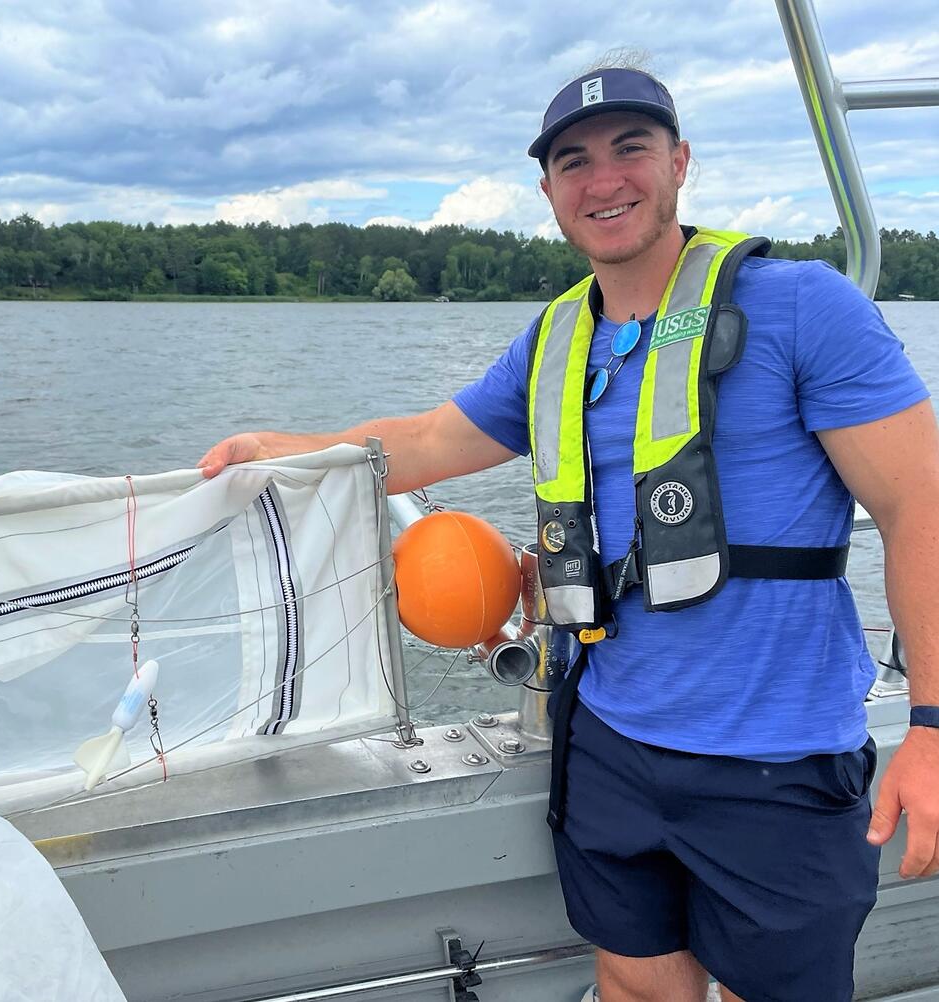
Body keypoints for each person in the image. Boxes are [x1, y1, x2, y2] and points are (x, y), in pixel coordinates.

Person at [197, 65, 939, 1002]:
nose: (603, 180)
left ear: (679, 162)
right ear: (549, 192)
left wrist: (932, 731)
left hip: (777, 761)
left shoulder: (804, 307)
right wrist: (283, 448)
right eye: (573, 161)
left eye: (631, 148)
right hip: (612, 747)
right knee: (634, 985)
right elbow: (431, 439)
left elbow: (923, 507)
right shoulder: (554, 340)